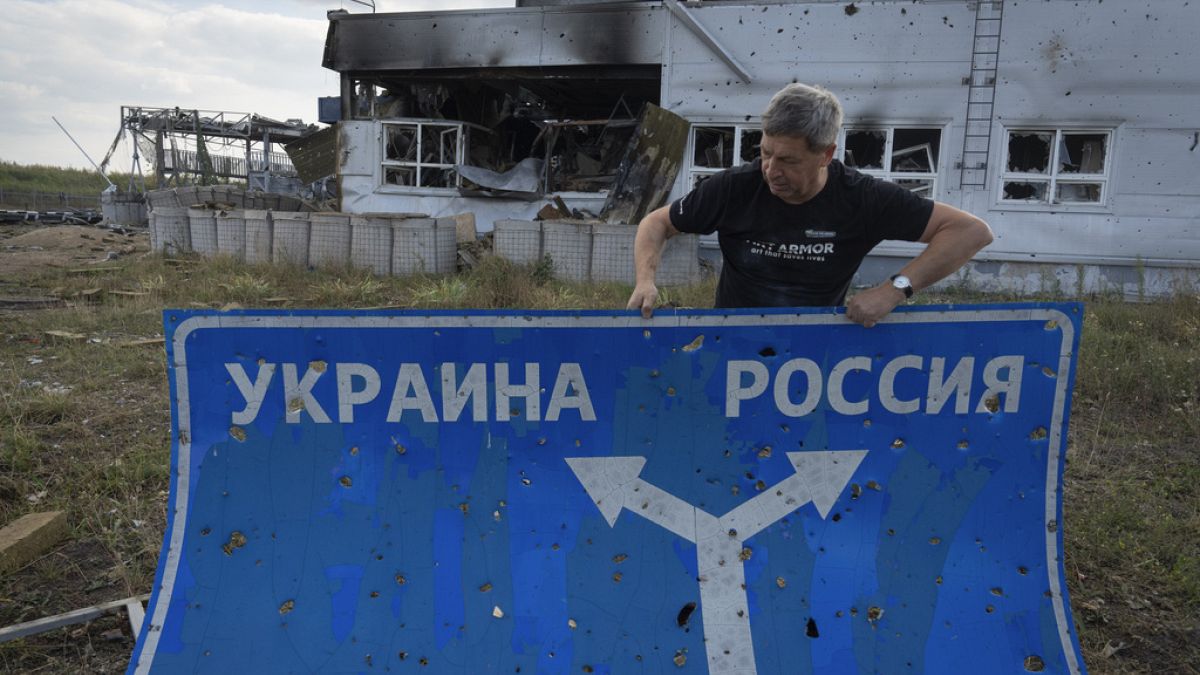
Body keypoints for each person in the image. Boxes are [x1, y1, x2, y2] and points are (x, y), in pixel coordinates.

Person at [626, 83, 993, 327]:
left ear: (826, 155)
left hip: (817, 349)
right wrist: (645, 281)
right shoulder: (734, 188)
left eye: (788, 161)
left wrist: (894, 290)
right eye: (766, 153)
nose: (771, 170)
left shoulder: (862, 199)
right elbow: (656, 223)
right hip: (732, 341)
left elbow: (971, 232)